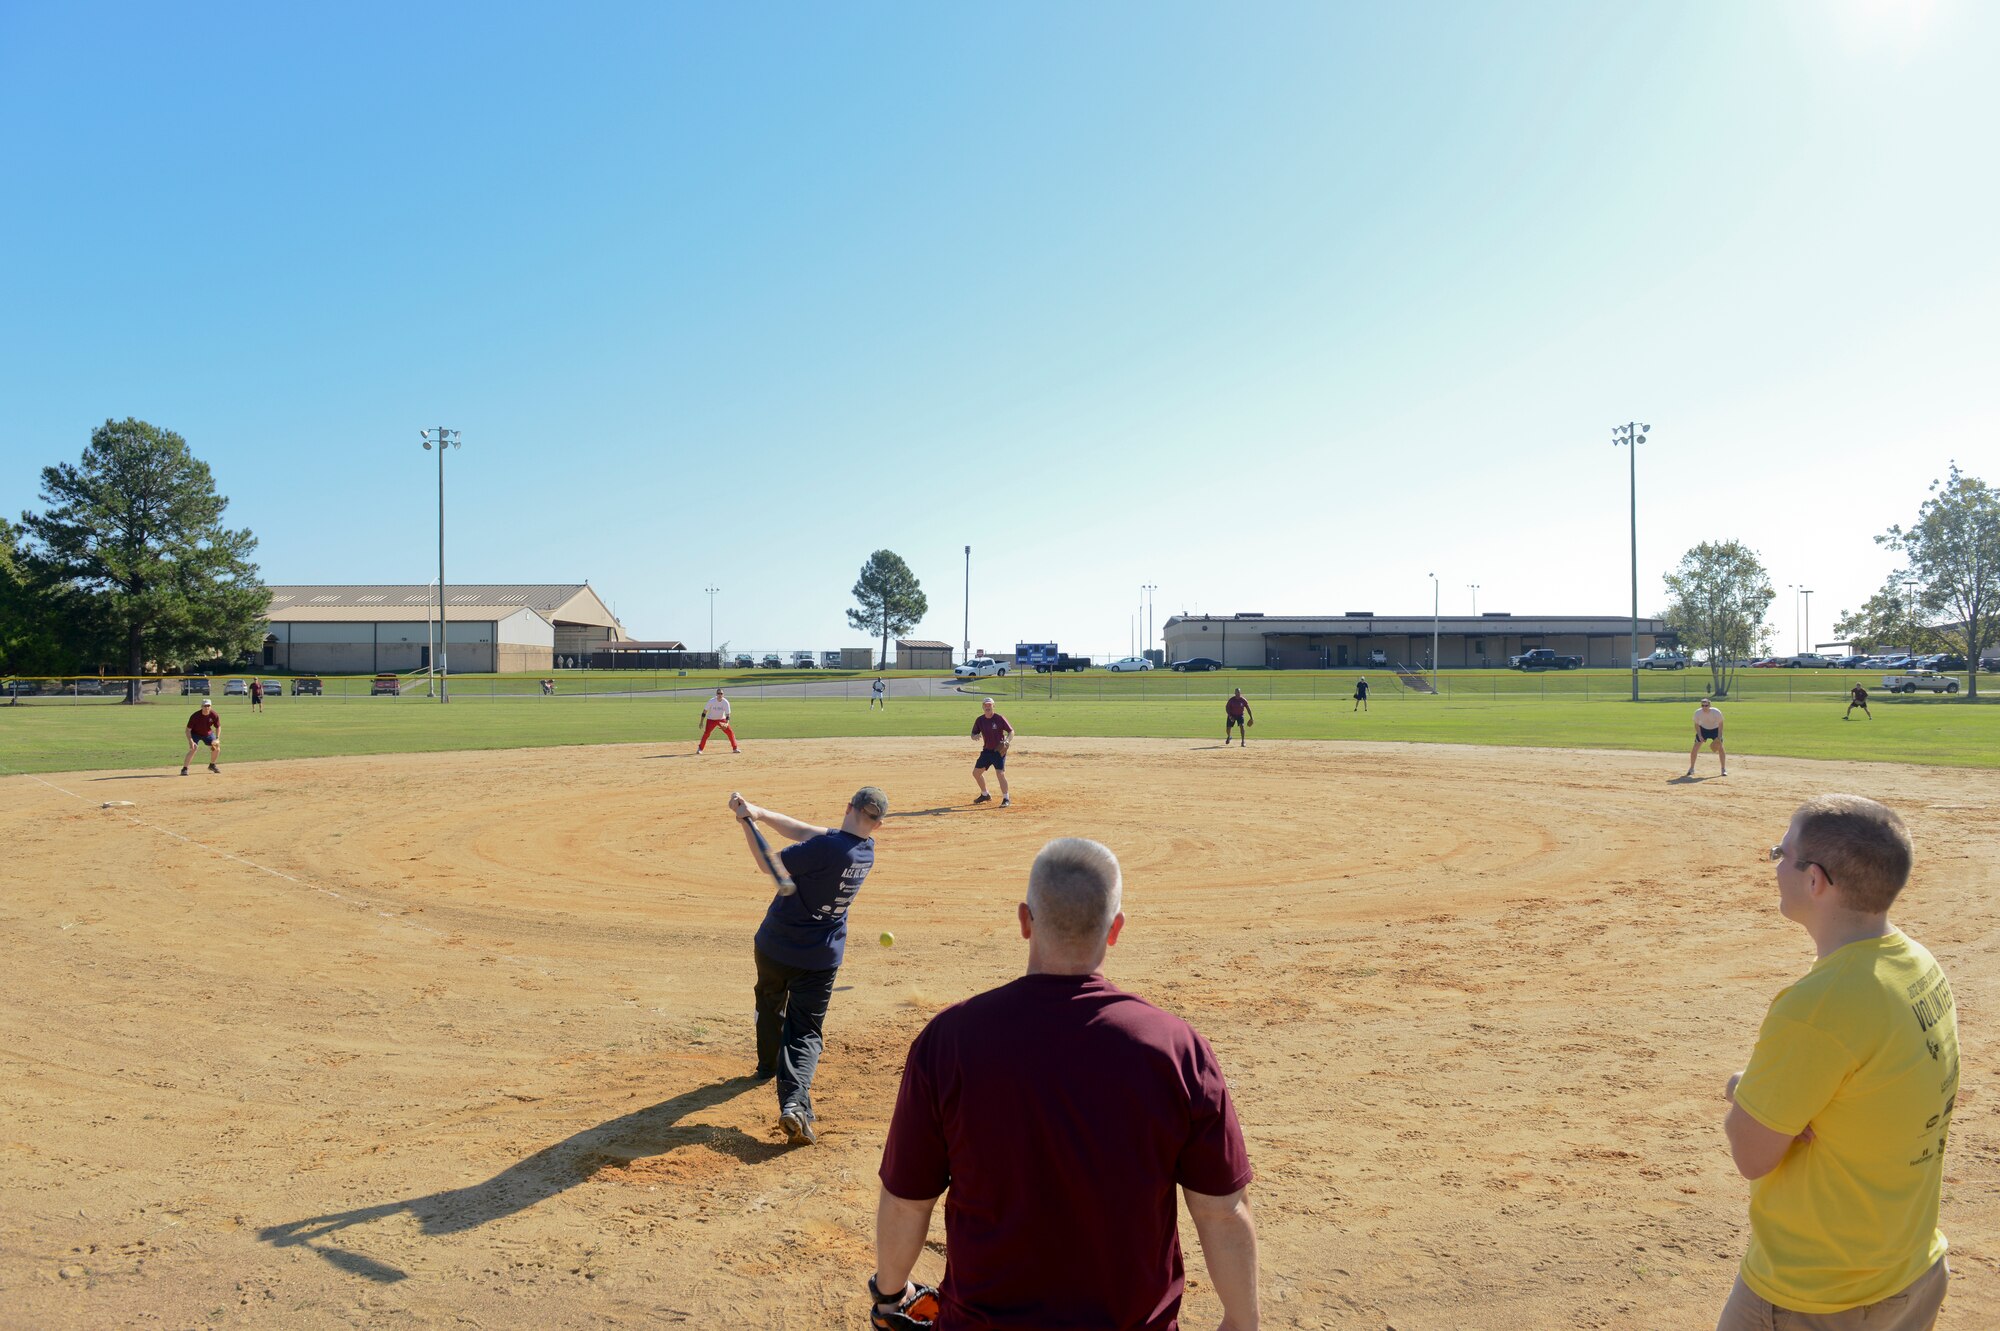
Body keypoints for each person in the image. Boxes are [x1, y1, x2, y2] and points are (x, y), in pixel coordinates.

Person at [871, 838, 1259, 1331]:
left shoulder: (948, 1040)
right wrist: (1243, 1322)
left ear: (1025, 920)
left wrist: (890, 1291)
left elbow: (908, 1199)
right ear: (1115, 929)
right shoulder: (1176, 1048)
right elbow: (1222, 1213)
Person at [1716, 795, 1957, 1330]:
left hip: (1817, 1295)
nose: (1776, 864)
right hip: (1910, 1269)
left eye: (1783, 852)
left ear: (1815, 881)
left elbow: (1752, 1154)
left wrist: (1746, 1091)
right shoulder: (1918, 963)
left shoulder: (1817, 1008)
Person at [729, 786, 887, 1146]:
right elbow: (804, 830)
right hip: (820, 958)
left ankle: (767, 1065)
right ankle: (795, 1104)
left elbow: (769, 863)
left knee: (769, 1004)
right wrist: (759, 812)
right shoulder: (864, 850)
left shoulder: (828, 848)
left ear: (848, 807)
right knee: (804, 1032)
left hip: (775, 945)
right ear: (877, 824)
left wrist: (745, 823)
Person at [970, 697, 1012, 807]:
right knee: (976, 773)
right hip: (987, 751)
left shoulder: (999, 718)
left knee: (1000, 774)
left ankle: (1006, 798)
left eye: (990, 705)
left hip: (998, 751)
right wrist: (975, 736)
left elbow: (1011, 731)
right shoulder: (980, 720)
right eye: (985, 705)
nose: (987, 707)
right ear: (982, 707)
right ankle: (985, 794)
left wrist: (1007, 740)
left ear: (993, 706)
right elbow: (973, 734)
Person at [182, 698, 222, 776]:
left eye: (208, 706)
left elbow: (218, 727)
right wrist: (191, 741)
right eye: (205, 706)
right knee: (194, 748)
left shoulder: (214, 715)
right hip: (195, 733)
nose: (206, 707)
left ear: (211, 706)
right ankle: (184, 769)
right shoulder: (195, 716)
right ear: (201, 706)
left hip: (207, 733)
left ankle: (212, 765)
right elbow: (188, 730)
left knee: (217, 747)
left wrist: (217, 738)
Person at [1688, 698, 1727, 776]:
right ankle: (1691, 768)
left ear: (1710, 705)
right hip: (1703, 730)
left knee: (1721, 748)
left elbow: (1721, 724)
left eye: (1706, 705)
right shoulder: (1698, 713)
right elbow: (1696, 724)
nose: (1704, 707)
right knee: (1695, 747)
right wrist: (1700, 735)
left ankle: (1723, 769)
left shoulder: (1716, 712)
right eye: (1703, 705)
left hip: (1715, 730)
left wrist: (1719, 736)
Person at [699, 687, 739, 754]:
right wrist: (701, 722)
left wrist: (726, 723)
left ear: (723, 694)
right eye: (718, 693)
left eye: (721, 693)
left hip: (721, 720)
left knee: (730, 732)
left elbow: (728, 714)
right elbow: (704, 712)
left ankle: (735, 748)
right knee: (706, 734)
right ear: (716, 694)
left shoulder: (725, 702)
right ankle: (700, 749)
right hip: (711, 720)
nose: (720, 695)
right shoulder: (711, 701)